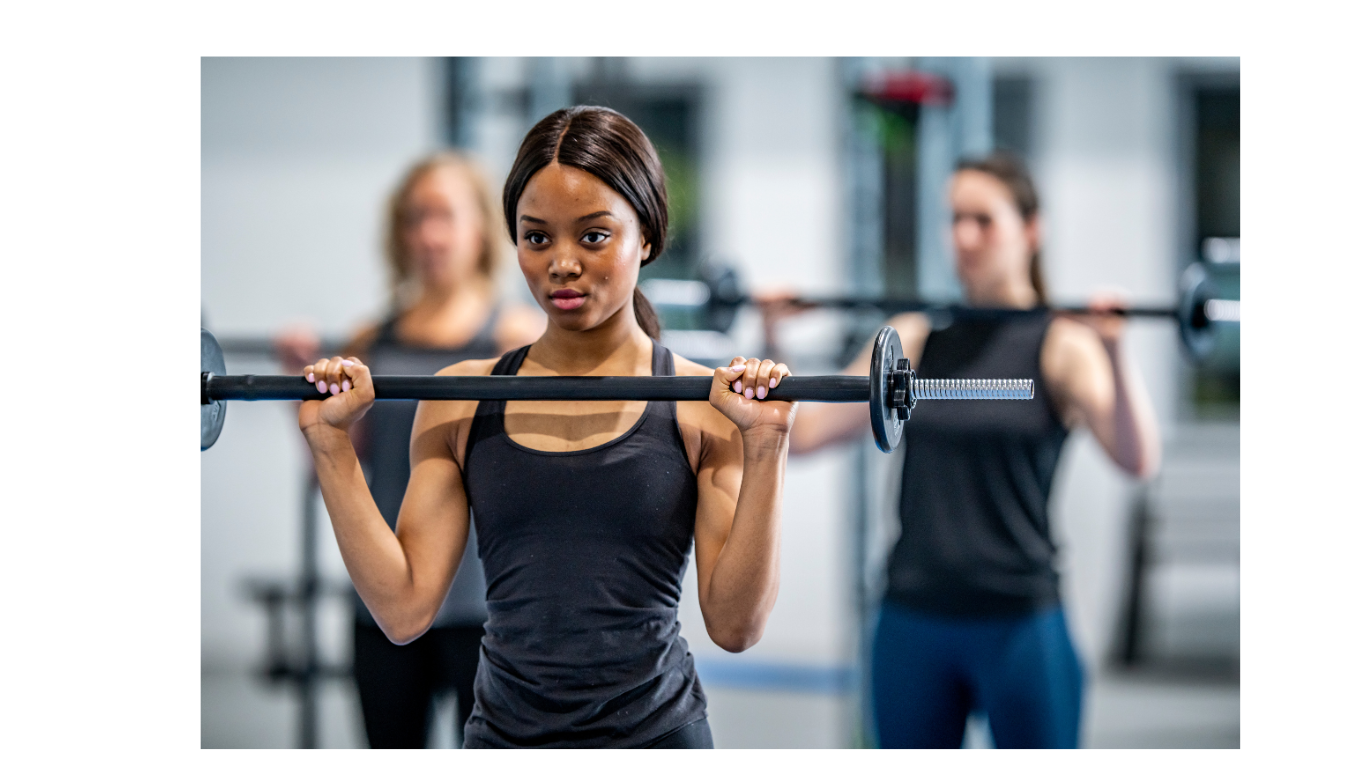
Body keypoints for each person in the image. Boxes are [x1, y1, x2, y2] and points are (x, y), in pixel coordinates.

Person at [297, 106, 798, 748]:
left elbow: (735, 626)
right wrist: (331, 447)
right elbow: (403, 608)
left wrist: (767, 446)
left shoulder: (702, 404)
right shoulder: (461, 398)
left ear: (645, 236)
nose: (562, 263)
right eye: (538, 238)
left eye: (593, 236)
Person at [758, 152, 1162, 748]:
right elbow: (806, 436)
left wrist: (1116, 353)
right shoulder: (917, 338)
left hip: (1020, 619)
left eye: (983, 219)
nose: (963, 237)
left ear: (1031, 229)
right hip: (914, 613)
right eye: (953, 219)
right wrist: (772, 338)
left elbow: (1137, 459)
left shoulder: (1063, 345)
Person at [275, 152, 544, 747]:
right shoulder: (371, 341)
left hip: (490, 607)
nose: (430, 234)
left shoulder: (521, 339)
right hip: (382, 596)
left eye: (445, 215)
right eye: (416, 218)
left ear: (479, 228)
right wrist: (294, 385)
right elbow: (340, 462)